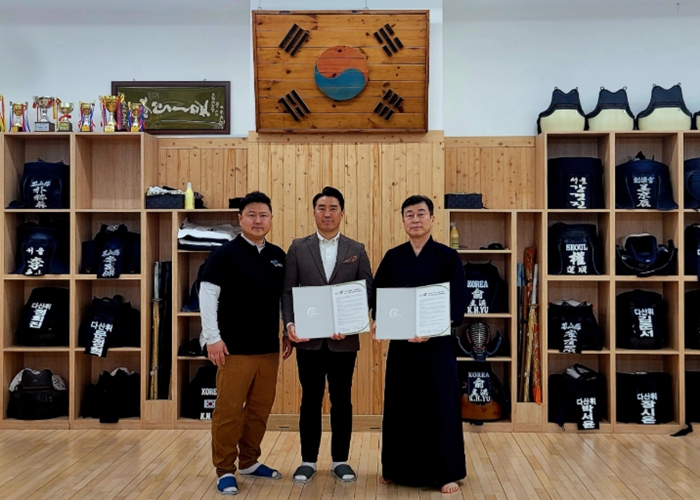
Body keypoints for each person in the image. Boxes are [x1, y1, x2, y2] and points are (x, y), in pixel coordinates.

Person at [371, 194, 468, 494]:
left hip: (436, 346)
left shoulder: (448, 257)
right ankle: (396, 468)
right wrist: (378, 319)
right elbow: (378, 294)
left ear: (432, 219)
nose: (415, 219)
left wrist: (432, 329)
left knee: (440, 405)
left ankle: (446, 472)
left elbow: (458, 300)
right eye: (409, 214)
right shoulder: (393, 257)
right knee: (401, 404)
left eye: (421, 213)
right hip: (402, 345)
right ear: (403, 221)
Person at [282, 186, 373, 484]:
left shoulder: (356, 249)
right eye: (322, 208)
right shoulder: (298, 247)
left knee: (342, 400)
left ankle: (340, 461)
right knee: (310, 399)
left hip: (343, 342)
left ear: (342, 213)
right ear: (314, 213)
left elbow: (367, 290)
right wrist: (289, 325)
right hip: (308, 341)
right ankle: (307, 461)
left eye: (333, 208)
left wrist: (352, 322)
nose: (327, 213)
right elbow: (288, 291)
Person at [199, 191, 287, 495]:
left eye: (263, 215)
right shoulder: (224, 255)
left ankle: (249, 461)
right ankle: (225, 469)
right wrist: (212, 338)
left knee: (260, 410)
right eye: (251, 215)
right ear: (240, 219)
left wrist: (286, 332)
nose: (258, 220)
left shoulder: (278, 256)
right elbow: (207, 296)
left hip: (268, 350)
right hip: (232, 349)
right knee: (228, 412)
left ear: (271, 219)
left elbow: (282, 300)